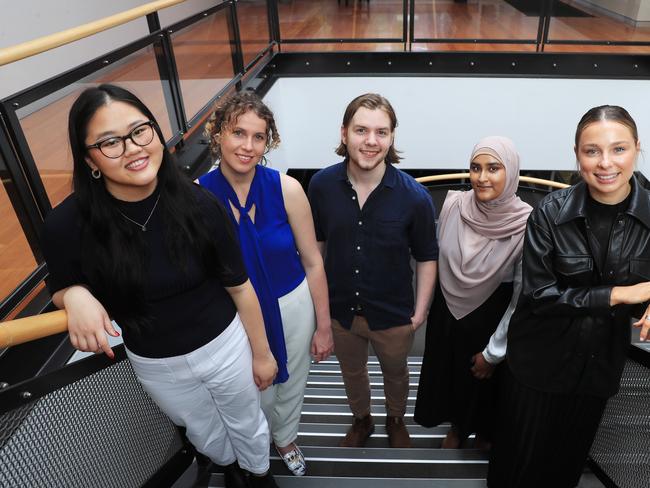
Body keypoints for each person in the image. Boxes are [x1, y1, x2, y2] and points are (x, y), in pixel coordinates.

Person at [41, 84, 280, 488]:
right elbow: (61, 283)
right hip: (156, 363)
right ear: (89, 159)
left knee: (247, 420)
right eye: (110, 142)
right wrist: (75, 295)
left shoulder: (200, 204)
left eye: (140, 131)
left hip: (224, 346)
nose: (133, 148)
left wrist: (262, 355)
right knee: (203, 432)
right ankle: (230, 468)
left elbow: (240, 287)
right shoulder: (66, 226)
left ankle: (258, 474)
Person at [488, 105, 650, 488]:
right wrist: (620, 294)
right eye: (592, 151)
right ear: (576, 154)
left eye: (618, 149)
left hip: (597, 369)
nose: (605, 163)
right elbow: (541, 296)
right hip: (537, 367)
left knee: (565, 468)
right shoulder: (549, 212)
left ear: (637, 149)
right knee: (516, 466)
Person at [199, 90, 334, 477]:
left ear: (268, 142)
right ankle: (254, 446)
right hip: (233, 313)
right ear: (218, 134)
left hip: (292, 303)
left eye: (258, 137)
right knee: (248, 387)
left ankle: (286, 436)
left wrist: (323, 325)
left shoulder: (288, 189)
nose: (247, 145)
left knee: (293, 380)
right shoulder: (198, 196)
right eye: (238, 133)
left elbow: (313, 261)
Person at [308, 93, 438, 449]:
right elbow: (316, 249)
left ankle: (395, 419)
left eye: (381, 132)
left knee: (396, 373)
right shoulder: (320, 187)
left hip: (395, 314)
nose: (371, 141)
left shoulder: (415, 197)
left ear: (392, 137)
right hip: (341, 312)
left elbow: (427, 256)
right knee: (351, 372)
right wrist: (318, 310)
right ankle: (362, 420)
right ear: (344, 133)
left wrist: (420, 312)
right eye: (361, 130)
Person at [414, 136, 532, 449]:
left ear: (511, 172)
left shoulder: (528, 223)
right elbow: (437, 259)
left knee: (486, 383)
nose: (481, 177)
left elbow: (522, 297)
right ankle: (457, 427)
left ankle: (483, 431)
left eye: (494, 168)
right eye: (475, 168)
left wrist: (495, 351)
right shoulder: (454, 204)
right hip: (448, 313)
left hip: (491, 319)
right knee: (453, 377)